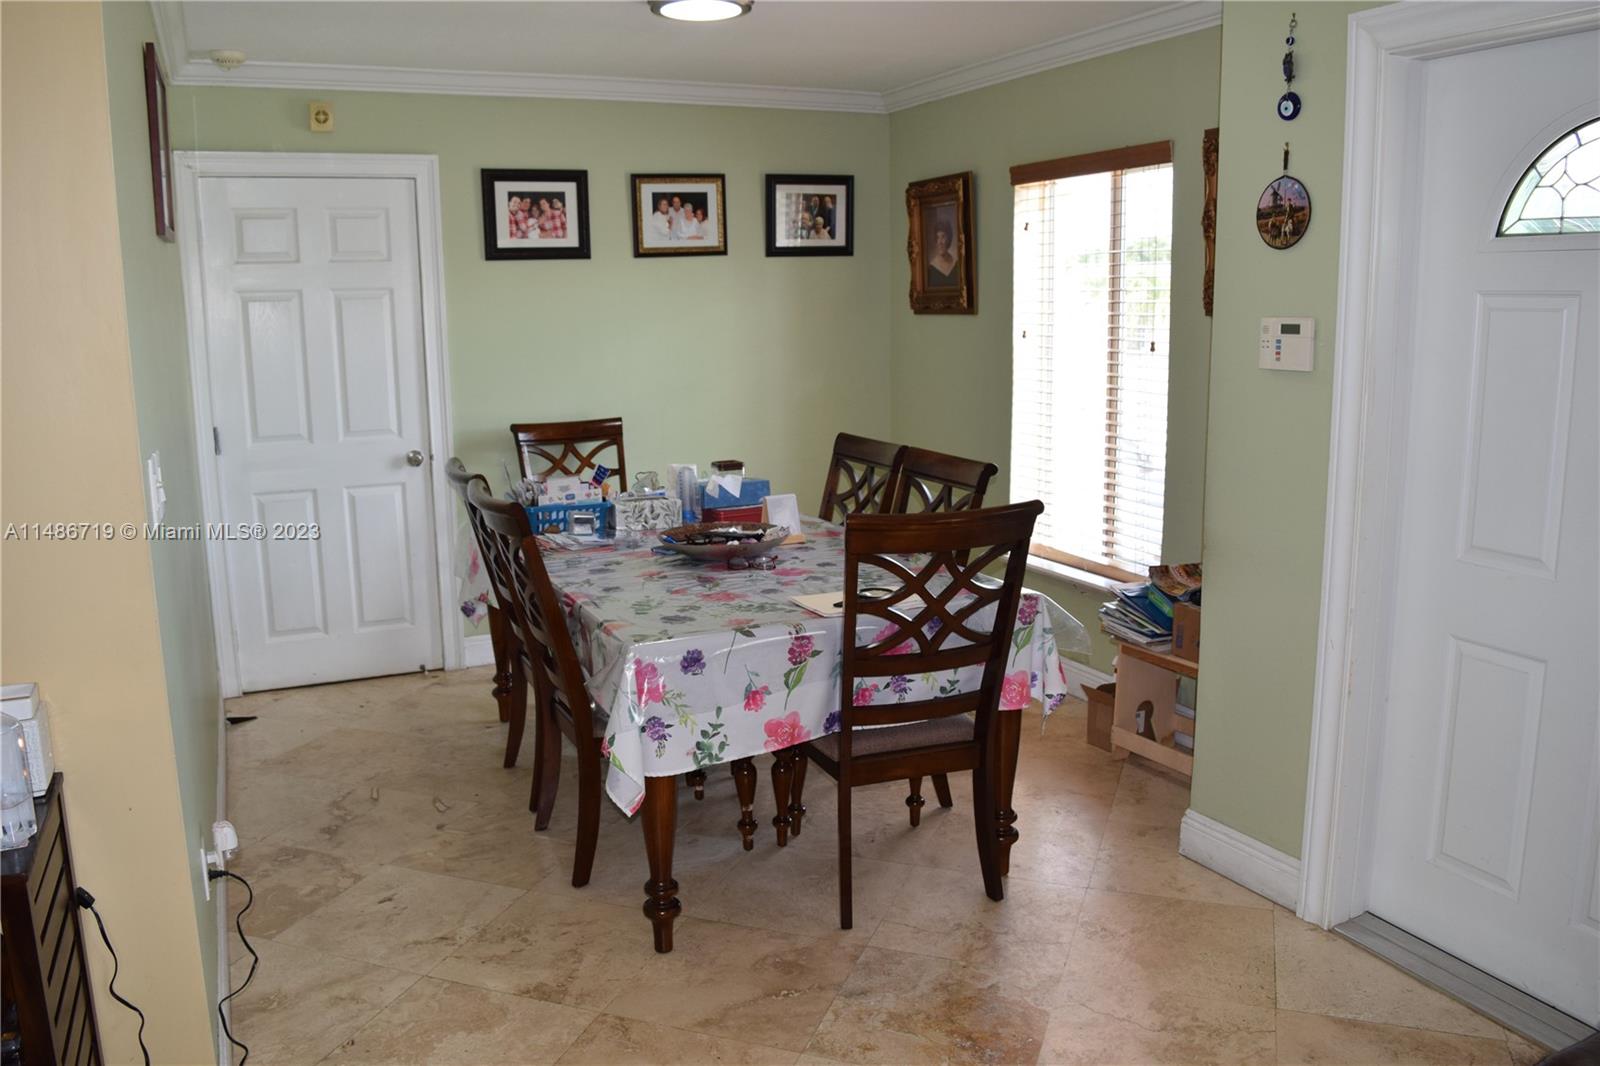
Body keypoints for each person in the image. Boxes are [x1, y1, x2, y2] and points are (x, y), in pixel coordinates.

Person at [927, 220, 958, 286]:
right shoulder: (931, 269)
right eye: (937, 237)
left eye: (943, 237)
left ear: (949, 238)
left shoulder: (956, 265)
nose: (940, 242)